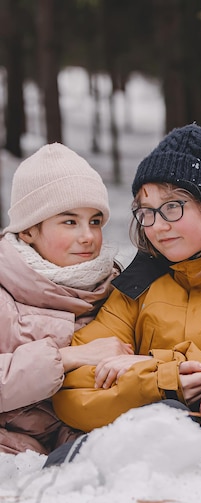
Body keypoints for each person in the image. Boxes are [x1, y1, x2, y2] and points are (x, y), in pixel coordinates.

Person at [48, 124, 201, 466]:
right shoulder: (136, 288)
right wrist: (163, 380)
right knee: (149, 421)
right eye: (146, 211)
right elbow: (72, 391)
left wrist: (156, 366)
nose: (158, 225)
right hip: (158, 423)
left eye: (173, 206)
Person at [0, 143, 133, 455]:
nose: (88, 236)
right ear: (28, 231)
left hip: (85, 451)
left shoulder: (118, 290)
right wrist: (68, 358)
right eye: (70, 221)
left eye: (95, 221)